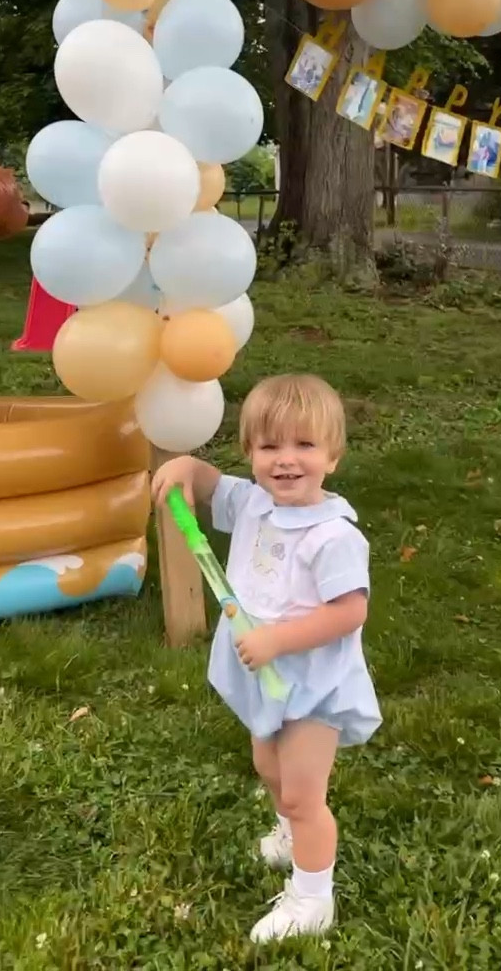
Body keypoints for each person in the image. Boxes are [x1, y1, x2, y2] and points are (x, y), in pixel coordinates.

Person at [152, 374, 381, 944]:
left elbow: (350, 612)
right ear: (250, 452)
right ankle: (288, 834)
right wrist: (183, 466)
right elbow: (206, 480)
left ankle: (313, 898)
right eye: (269, 445)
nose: (286, 459)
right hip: (263, 674)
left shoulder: (332, 536)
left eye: (304, 444)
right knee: (268, 766)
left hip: (312, 682)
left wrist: (277, 640)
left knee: (303, 793)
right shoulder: (254, 503)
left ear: (333, 456)